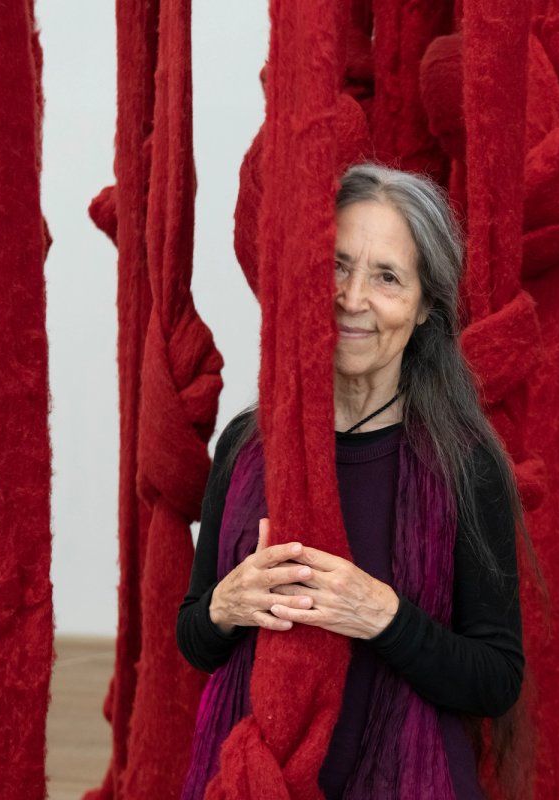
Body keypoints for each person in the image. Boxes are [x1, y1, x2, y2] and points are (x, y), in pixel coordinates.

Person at [177, 163, 532, 799]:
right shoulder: (247, 445)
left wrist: (383, 616)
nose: (352, 297)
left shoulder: (465, 465)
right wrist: (224, 609)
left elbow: (497, 678)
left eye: (387, 277)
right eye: (338, 265)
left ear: (427, 307)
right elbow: (196, 640)